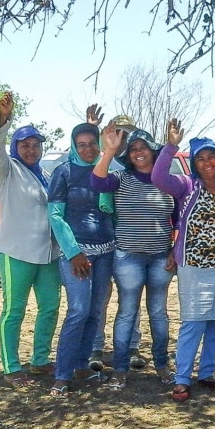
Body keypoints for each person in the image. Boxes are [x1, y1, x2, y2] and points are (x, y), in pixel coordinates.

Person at [152, 119, 215, 402]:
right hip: (194, 267)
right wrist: (171, 146)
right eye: (201, 159)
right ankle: (183, 377)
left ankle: (207, 372)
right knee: (193, 322)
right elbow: (159, 177)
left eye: (212, 157)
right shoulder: (186, 186)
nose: (207, 163)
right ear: (194, 164)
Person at [90, 123, 177, 390]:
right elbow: (96, 181)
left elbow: (178, 219)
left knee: (159, 313)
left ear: (153, 152)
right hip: (128, 257)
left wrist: (175, 249)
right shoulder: (121, 179)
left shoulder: (166, 181)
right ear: (128, 155)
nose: (139, 152)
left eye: (144, 148)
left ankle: (162, 365)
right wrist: (109, 150)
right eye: (134, 149)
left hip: (161, 257)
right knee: (127, 312)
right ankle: (119, 369)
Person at [0, 92, 61, 387]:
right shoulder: (6, 171)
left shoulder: (44, 174)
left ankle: (40, 361)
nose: (31, 150)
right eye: (24, 145)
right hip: (16, 254)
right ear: (15, 147)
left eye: (35, 145)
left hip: (47, 255)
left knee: (51, 306)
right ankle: (11, 367)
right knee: (13, 311)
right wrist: (3, 119)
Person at [47, 122, 116, 398]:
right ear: (74, 147)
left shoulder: (108, 170)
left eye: (93, 143)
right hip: (76, 254)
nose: (88, 149)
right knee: (77, 311)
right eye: (82, 144)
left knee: (95, 311)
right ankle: (62, 375)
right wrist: (74, 252)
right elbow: (55, 215)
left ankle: (82, 366)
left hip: (106, 251)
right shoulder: (63, 173)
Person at [86, 109, 146, 372]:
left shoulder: (136, 165)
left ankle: (132, 347)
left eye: (127, 133)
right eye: (117, 132)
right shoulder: (99, 160)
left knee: (130, 296)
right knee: (98, 297)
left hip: (127, 242)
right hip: (98, 239)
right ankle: (94, 348)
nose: (122, 138)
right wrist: (91, 127)